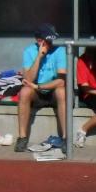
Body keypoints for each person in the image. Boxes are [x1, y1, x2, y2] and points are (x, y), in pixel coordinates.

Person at [14, 23, 67, 152]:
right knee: (24, 92)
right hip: (36, 92)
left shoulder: (60, 50)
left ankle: (66, 138)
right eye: (48, 40)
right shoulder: (29, 51)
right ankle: (22, 138)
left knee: (62, 92)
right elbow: (28, 79)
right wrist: (39, 57)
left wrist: (38, 86)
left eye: (53, 40)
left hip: (53, 90)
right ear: (39, 41)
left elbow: (61, 81)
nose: (52, 43)